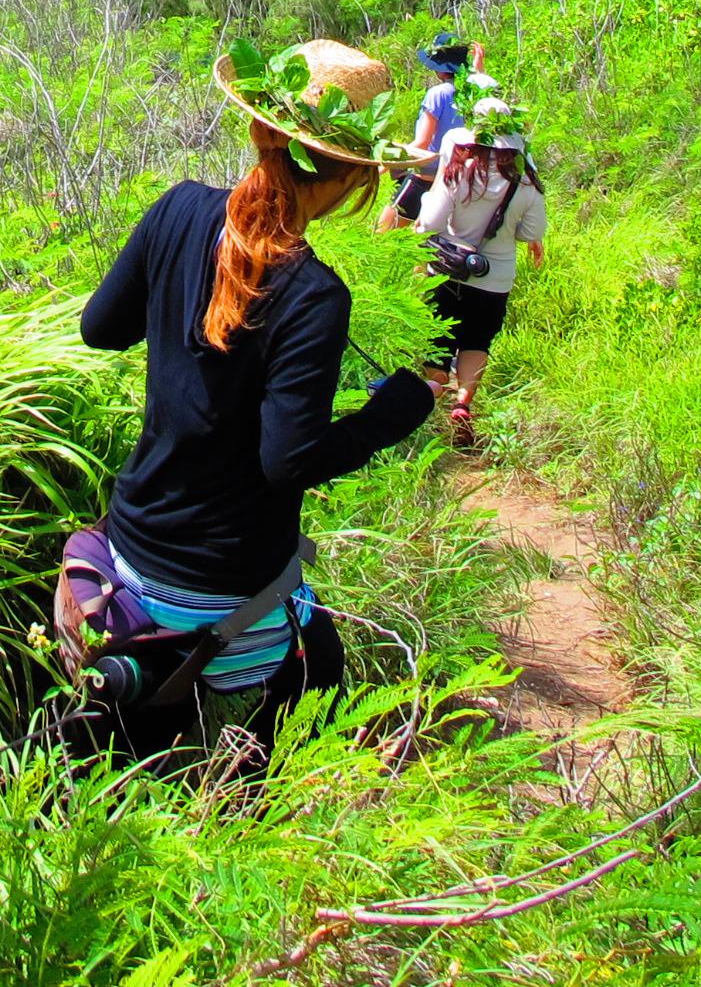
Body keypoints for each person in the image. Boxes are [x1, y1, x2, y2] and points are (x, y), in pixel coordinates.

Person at [71, 39, 438, 760]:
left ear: (258, 132)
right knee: (319, 675)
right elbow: (287, 462)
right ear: (352, 181)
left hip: (133, 548)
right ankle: (254, 801)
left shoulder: (178, 210)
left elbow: (99, 329)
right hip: (223, 583)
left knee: (141, 754)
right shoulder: (314, 295)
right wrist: (394, 413)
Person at [412, 119, 545, 450]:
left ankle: (428, 406)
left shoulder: (460, 169)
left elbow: (430, 222)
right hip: (494, 279)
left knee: (438, 341)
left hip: (446, 268)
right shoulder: (526, 182)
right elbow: (531, 232)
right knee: (477, 342)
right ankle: (462, 404)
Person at [382, 33, 480, 230]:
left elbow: (422, 143)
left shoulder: (438, 94)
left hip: (427, 174)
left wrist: (384, 163)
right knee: (429, 238)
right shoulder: (472, 92)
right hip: (459, 175)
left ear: (440, 69)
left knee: (384, 228)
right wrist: (477, 66)